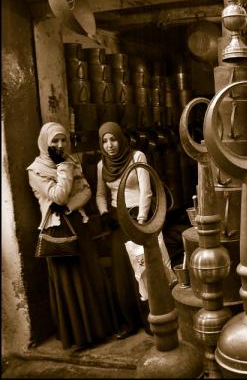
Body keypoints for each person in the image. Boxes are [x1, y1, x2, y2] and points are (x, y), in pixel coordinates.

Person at [27, 122, 117, 350]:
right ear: (44, 142)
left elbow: (86, 190)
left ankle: (99, 329)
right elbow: (58, 195)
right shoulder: (36, 170)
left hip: (77, 222)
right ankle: (80, 335)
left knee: (90, 274)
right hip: (58, 231)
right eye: (54, 141)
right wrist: (63, 169)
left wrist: (69, 206)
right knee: (71, 282)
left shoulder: (71, 160)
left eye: (63, 140)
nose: (60, 145)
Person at [96, 121, 175, 339]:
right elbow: (100, 194)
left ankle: (152, 319)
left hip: (138, 217)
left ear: (121, 139)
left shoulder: (137, 157)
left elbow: (146, 191)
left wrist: (140, 221)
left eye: (113, 139)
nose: (110, 145)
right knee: (123, 274)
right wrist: (104, 213)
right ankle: (130, 322)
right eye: (105, 141)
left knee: (144, 269)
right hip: (117, 221)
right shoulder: (102, 165)